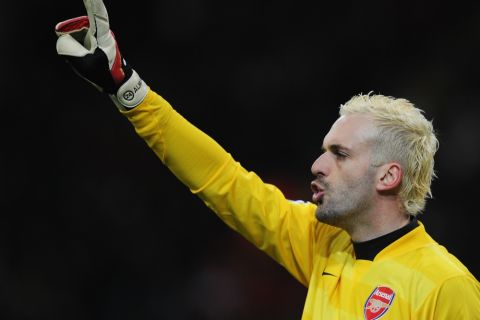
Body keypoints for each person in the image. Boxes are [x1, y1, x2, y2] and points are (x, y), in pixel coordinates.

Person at [55, 0, 480, 319]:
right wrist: (128, 90)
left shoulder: (446, 286)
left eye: (340, 154)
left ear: (388, 175)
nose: (317, 165)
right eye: (323, 150)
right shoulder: (324, 242)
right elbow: (223, 180)